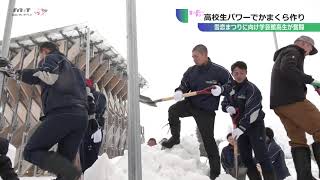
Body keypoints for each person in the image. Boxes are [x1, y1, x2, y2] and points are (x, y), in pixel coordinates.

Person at [13, 42, 88, 180]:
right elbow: (88, 96)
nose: (41, 58)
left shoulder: (52, 58)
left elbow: (47, 76)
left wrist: (17, 73)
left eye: (40, 54)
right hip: (81, 117)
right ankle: (69, 173)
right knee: (64, 171)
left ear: (44, 50)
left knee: (31, 151)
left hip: (63, 114)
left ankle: (71, 172)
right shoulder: (76, 69)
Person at [161, 44, 232, 180]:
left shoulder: (218, 71)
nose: (194, 59)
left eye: (196, 56)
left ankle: (215, 172)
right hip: (191, 104)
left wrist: (221, 89)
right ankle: (175, 138)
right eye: (192, 56)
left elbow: (231, 85)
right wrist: (179, 91)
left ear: (205, 55)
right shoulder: (191, 71)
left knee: (208, 141)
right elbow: (184, 85)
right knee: (173, 110)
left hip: (206, 110)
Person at [270, 35, 320, 180]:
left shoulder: (285, 53)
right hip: (293, 101)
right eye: (310, 49)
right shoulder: (294, 51)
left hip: (280, 104)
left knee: (298, 140)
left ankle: (305, 177)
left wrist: (309, 84)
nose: (309, 53)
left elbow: (288, 73)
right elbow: (288, 68)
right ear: (304, 44)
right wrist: (312, 80)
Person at [221, 61, 276, 180]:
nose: (239, 75)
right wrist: (227, 107)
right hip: (240, 127)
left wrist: (241, 128)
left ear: (246, 73)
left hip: (254, 125)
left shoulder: (252, 89)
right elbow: (224, 102)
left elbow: (253, 111)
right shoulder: (231, 89)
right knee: (245, 158)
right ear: (232, 74)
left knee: (261, 156)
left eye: (241, 73)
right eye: (236, 73)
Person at [80, 79, 107, 173]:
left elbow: (96, 110)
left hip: (94, 129)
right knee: (82, 157)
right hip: (83, 130)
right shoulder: (82, 96)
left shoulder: (98, 95)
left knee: (90, 157)